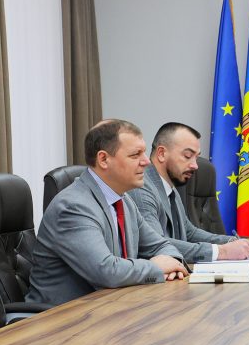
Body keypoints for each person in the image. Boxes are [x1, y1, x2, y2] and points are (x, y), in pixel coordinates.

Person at [27, 120, 188, 306]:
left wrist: (173, 263)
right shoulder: (73, 206)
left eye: (144, 153)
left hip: (110, 308)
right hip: (61, 316)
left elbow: (160, 245)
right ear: (103, 159)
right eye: (135, 155)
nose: (146, 161)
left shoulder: (124, 200)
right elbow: (106, 271)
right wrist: (156, 267)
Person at [132, 122, 249, 262]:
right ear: (162, 153)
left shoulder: (170, 188)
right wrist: (222, 252)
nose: (195, 165)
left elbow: (189, 232)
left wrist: (232, 241)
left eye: (196, 157)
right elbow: (157, 245)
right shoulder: (142, 188)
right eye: (187, 156)